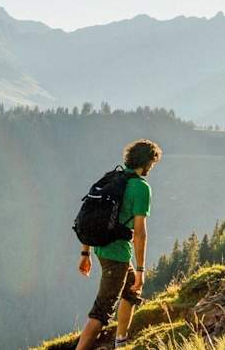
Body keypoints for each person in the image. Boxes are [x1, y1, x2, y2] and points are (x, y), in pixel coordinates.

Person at [76, 139, 162, 350]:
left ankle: (120, 343)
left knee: (131, 291)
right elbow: (140, 233)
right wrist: (141, 269)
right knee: (102, 312)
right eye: (152, 162)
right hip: (117, 255)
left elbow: (90, 215)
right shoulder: (141, 188)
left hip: (100, 247)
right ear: (147, 162)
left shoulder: (112, 178)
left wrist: (85, 253)